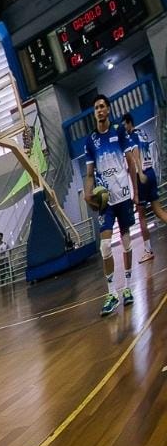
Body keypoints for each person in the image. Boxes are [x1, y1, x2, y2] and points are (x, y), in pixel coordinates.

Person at [85, 95, 142, 316]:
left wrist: (135, 193)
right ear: (94, 113)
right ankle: (111, 294)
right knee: (105, 246)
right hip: (106, 200)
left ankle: (127, 288)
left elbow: (130, 163)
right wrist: (87, 193)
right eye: (96, 108)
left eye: (102, 106)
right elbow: (90, 174)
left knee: (126, 242)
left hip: (124, 196)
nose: (99, 110)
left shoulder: (119, 132)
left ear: (108, 110)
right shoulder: (91, 141)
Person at [122, 114, 159, 260]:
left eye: (124, 125)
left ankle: (148, 251)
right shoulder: (142, 133)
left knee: (141, 215)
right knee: (158, 210)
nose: (124, 128)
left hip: (142, 175)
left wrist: (137, 173)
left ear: (129, 123)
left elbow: (135, 157)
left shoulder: (131, 137)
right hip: (151, 172)